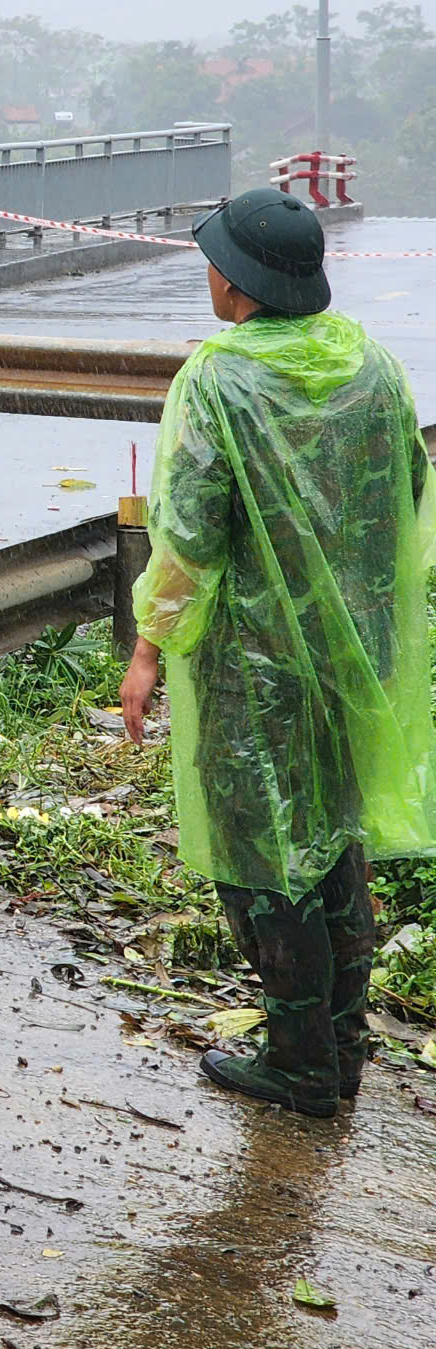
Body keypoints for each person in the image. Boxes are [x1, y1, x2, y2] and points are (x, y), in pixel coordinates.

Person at [121, 187, 436, 1116]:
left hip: (252, 664)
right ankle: (339, 1047)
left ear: (237, 281)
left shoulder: (217, 379)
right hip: (355, 655)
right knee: (333, 835)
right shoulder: (372, 367)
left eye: (215, 264)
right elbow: (406, 498)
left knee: (264, 858)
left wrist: (148, 652)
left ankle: (297, 1063)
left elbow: (191, 537)